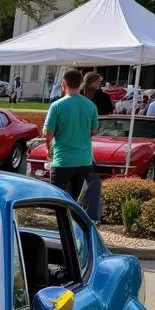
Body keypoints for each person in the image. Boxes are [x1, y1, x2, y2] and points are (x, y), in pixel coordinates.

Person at [44, 67, 100, 221]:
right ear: (81, 84)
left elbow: (48, 132)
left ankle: (60, 225)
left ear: (63, 84)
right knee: (76, 199)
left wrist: (47, 147)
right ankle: (74, 224)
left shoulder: (57, 106)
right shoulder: (91, 106)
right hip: (84, 159)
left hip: (62, 159)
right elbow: (94, 131)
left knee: (55, 197)